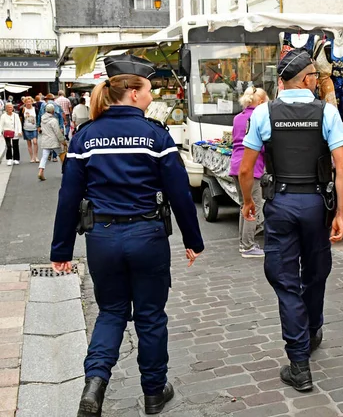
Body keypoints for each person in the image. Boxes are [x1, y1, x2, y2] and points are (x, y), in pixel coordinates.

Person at [50, 54, 204, 417]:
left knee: (112, 312)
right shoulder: (156, 136)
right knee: (150, 316)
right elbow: (180, 192)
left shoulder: (84, 138)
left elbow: (68, 198)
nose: (152, 96)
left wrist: (61, 249)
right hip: (147, 236)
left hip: (102, 237)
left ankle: (95, 383)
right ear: (133, 92)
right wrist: (193, 241)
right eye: (149, 90)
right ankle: (153, 392)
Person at [239, 48, 343, 392]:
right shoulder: (326, 112)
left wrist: (247, 201)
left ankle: (299, 364)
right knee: (316, 271)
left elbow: (246, 169)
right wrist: (342, 214)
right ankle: (313, 328)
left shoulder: (264, 113)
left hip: (281, 204)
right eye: (317, 76)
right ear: (308, 79)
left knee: (285, 279)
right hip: (316, 203)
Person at [229, 87, 268, 258]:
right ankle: (248, 245)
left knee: (244, 205)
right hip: (251, 166)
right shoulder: (259, 117)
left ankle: (243, 243)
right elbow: (263, 144)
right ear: (260, 102)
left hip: (235, 165)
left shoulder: (238, 118)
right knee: (254, 206)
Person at [38, 104, 66, 181]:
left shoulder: (42, 119)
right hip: (53, 141)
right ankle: (66, 171)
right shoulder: (53, 120)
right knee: (62, 155)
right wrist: (62, 140)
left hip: (45, 140)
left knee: (44, 157)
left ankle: (41, 171)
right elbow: (57, 132)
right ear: (53, 111)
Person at [21, 96, 40, 163]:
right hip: (26, 128)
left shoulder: (35, 109)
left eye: (30, 102)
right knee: (29, 144)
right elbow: (21, 119)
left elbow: (38, 117)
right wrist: (21, 129)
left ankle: (36, 156)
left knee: (35, 142)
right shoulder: (23, 109)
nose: (28, 103)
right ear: (25, 102)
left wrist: (39, 126)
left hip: (34, 128)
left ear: (32, 102)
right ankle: (31, 157)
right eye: (27, 102)